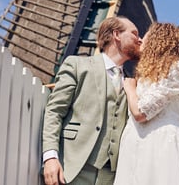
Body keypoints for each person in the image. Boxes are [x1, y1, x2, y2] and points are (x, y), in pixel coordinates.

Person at [41, 16, 142, 185]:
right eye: (134, 34)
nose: (139, 39)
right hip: (72, 168)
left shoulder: (132, 84)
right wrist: (50, 157)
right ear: (117, 34)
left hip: (111, 176)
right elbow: (54, 111)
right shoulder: (77, 65)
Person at [114, 22, 179, 185]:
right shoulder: (149, 74)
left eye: (145, 37)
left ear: (158, 41)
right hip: (138, 144)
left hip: (159, 145)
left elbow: (141, 112)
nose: (140, 40)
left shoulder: (174, 69)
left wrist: (130, 89)